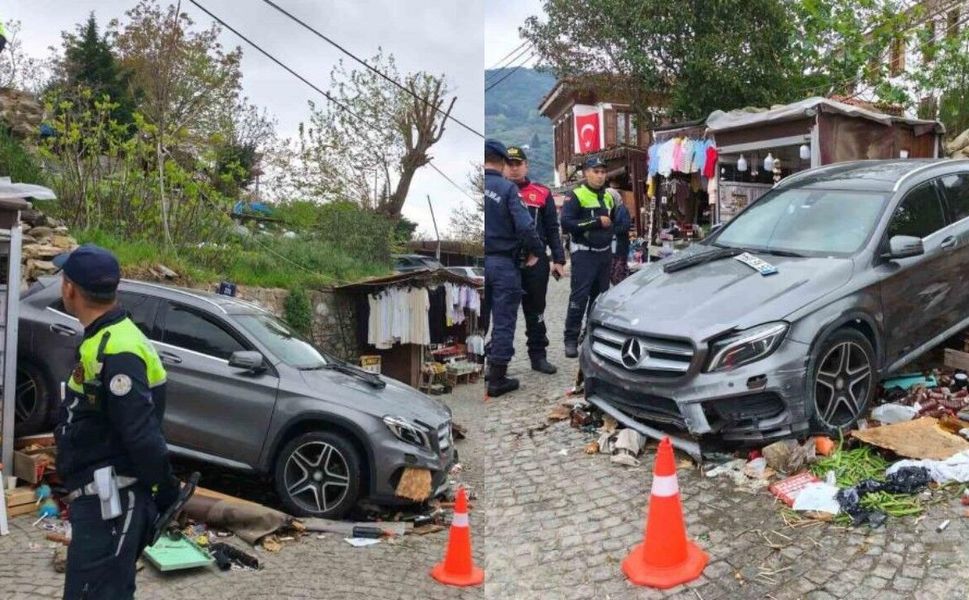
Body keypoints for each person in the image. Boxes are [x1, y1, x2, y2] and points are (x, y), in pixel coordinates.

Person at [52, 245, 181, 600]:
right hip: (99, 497)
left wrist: (165, 489)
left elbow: (140, 433)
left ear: (70, 289)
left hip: (112, 501)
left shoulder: (119, 349)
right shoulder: (106, 338)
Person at [484, 139, 543, 396]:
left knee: (476, 321)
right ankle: (497, 379)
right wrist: (535, 251)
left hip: (476, 266)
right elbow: (526, 226)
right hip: (502, 263)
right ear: (504, 163)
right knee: (504, 321)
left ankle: (477, 368)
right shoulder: (507, 190)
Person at [504, 145, 566, 375]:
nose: (513, 169)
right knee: (504, 313)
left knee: (536, 311)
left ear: (526, 165)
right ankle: (498, 361)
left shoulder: (542, 192)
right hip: (507, 261)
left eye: (517, 164)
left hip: (536, 261)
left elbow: (552, 227)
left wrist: (558, 258)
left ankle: (538, 356)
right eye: (509, 164)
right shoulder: (498, 191)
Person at [560, 156, 618, 358]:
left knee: (600, 299)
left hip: (604, 255)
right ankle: (570, 339)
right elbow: (566, 223)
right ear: (586, 173)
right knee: (579, 298)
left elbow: (614, 222)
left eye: (603, 172)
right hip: (584, 254)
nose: (600, 176)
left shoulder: (609, 196)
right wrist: (594, 222)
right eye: (596, 171)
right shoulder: (576, 194)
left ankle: (591, 336)